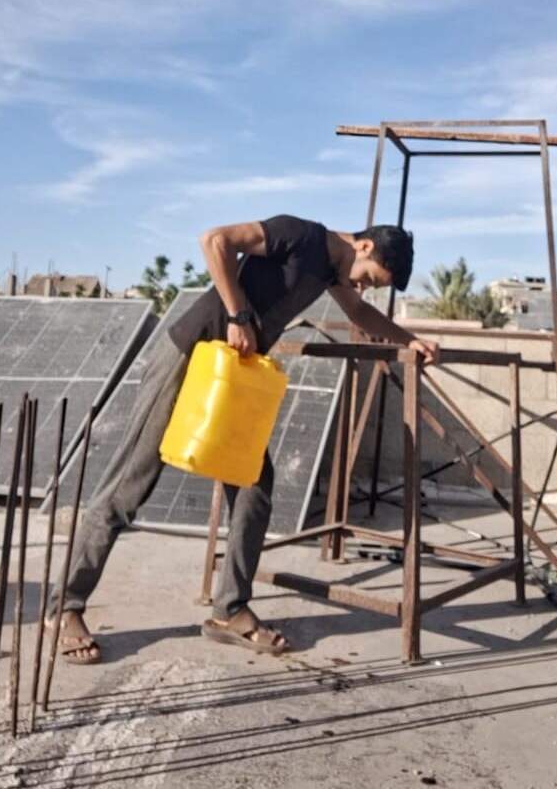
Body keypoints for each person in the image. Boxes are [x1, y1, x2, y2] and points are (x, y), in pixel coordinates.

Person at [48, 214, 439, 662]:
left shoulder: (334, 269)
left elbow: (360, 313)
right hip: (190, 356)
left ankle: (229, 611)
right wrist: (237, 313)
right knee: (129, 485)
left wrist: (411, 341)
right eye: (370, 279)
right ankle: (65, 607)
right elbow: (215, 239)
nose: (366, 287)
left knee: (255, 487)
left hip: (233, 373)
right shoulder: (300, 235)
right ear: (364, 247)